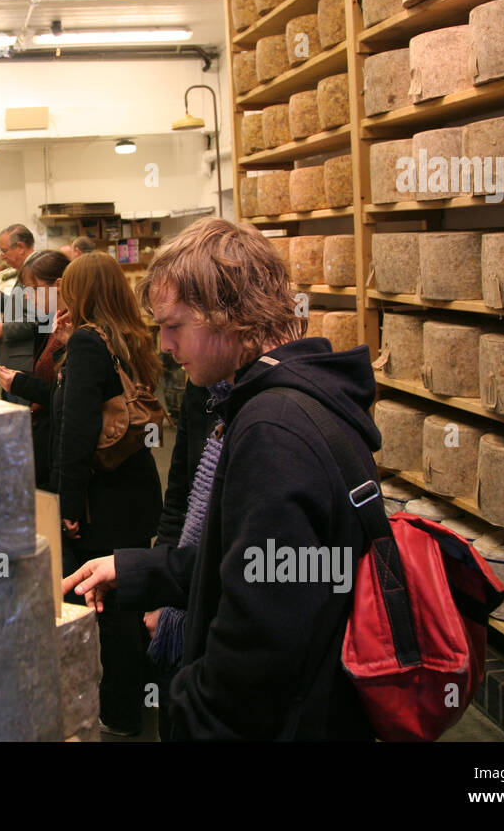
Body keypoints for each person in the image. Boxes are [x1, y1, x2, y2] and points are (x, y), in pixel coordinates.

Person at [63, 219, 379, 741]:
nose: (163, 345)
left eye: (174, 326)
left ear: (231, 316)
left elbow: (263, 636)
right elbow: (245, 558)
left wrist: (190, 711)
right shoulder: (293, 394)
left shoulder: (272, 429)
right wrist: (136, 569)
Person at [49, 251, 163, 736]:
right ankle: (136, 701)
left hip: (105, 499)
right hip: (137, 489)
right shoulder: (131, 336)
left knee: (107, 605)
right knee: (129, 597)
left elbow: (76, 435)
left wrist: (66, 506)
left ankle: (118, 715)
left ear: (79, 293)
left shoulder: (88, 343)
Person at [146, 379, 220, 742]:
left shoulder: (266, 418)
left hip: (217, 620)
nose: (168, 347)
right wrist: (163, 589)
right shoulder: (202, 388)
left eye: (176, 328)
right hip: (183, 599)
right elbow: (179, 493)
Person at [0, 249, 70, 486]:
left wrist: (21, 383)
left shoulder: (71, 329)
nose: (28, 297)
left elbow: (65, 395)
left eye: (35, 290)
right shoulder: (55, 322)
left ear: (58, 285)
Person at [0, 224, 39, 402]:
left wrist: (3, 330)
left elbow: (39, 321)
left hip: (24, 366)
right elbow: (21, 309)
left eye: (5, 250)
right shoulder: (25, 272)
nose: (2, 256)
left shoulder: (40, 271)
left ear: (21, 248)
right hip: (14, 363)